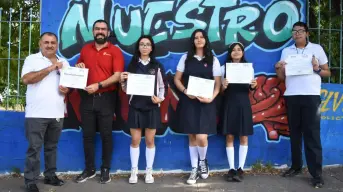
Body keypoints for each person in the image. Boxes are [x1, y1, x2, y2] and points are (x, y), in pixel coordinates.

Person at [275, 21, 331, 188]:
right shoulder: (286, 51)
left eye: (300, 31)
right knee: (295, 134)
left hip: (311, 96)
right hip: (292, 95)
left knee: (312, 135)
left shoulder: (317, 49)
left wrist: (317, 68)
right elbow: (281, 78)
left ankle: (316, 174)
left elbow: (327, 72)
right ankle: (296, 166)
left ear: (307, 33)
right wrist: (278, 67)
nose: (297, 33)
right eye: (294, 31)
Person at [74, 19, 124, 184]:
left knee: (106, 135)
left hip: (107, 98)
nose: (100, 31)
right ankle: (89, 169)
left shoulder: (115, 51)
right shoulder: (85, 49)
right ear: (93, 31)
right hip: (87, 98)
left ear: (108, 32)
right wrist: (79, 66)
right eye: (97, 29)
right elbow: (78, 68)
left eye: (103, 29)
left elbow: (117, 76)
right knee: (87, 136)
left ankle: (105, 169)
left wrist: (99, 85)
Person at [21, 32, 70, 192]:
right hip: (36, 114)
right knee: (34, 148)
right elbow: (27, 79)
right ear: (40, 43)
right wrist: (51, 68)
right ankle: (30, 181)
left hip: (56, 113)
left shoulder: (64, 62)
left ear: (57, 44)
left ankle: (50, 175)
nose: (50, 45)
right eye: (46, 42)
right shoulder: (32, 59)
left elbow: (69, 86)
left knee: (52, 147)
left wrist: (66, 89)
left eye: (53, 42)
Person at [173, 29, 221, 184]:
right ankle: (194, 169)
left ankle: (203, 161)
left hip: (206, 103)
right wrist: (186, 91)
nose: (199, 40)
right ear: (192, 41)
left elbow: (218, 85)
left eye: (201, 37)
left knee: (202, 136)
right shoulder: (185, 58)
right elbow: (177, 80)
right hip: (189, 101)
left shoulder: (213, 59)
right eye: (196, 38)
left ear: (206, 40)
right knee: (192, 136)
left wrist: (211, 98)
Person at [120, 35, 166, 184]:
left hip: (152, 107)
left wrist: (160, 98)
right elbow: (127, 89)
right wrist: (122, 83)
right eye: (142, 44)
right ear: (138, 47)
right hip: (136, 107)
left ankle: (149, 171)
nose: (145, 47)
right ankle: (134, 170)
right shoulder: (132, 65)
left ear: (151, 48)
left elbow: (162, 86)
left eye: (147, 44)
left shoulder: (157, 66)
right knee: (135, 140)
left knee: (150, 140)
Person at [219, 42, 257, 182]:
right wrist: (223, 86)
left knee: (243, 136)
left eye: (239, 49)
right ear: (230, 53)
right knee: (229, 136)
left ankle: (240, 168)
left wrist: (254, 86)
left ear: (242, 52)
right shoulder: (224, 69)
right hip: (229, 103)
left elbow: (251, 88)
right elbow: (221, 92)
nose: (236, 52)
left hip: (243, 104)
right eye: (233, 50)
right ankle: (231, 168)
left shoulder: (248, 68)